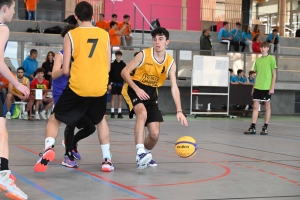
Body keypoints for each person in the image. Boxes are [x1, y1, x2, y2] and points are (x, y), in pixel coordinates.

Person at [33, 1, 113, 173]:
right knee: (100, 121)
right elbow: (108, 67)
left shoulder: (71, 35)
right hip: (99, 85)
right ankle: (107, 160)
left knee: (55, 118)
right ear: (93, 16)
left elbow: (67, 69)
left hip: (78, 86)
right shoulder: (105, 35)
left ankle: (49, 148)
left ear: (75, 17)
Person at [121, 27, 188, 170]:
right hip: (134, 87)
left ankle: (146, 154)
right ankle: (140, 153)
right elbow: (124, 72)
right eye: (155, 39)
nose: (157, 42)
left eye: (161, 39)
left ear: (167, 42)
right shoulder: (143, 55)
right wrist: (136, 89)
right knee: (142, 113)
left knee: (154, 134)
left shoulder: (170, 63)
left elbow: (174, 87)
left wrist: (179, 110)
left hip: (151, 93)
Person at [48, 25, 97, 168]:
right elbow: (54, 74)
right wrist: (65, 69)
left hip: (78, 93)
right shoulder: (60, 55)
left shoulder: (80, 56)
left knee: (90, 127)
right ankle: (67, 155)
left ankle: (72, 143)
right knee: (72, 122)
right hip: (62, 94)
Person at [0, 0, 29, 199]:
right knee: (1, 131)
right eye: (13, 9)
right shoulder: (3, 29)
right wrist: (17, 84)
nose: (13, 13)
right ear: (4, 9)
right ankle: (3, 174)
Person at [244, 42, 277, 135]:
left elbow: (274, 74)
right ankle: (252, 127)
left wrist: (272, 87)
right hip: (258, 86)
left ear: (268, 48)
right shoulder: (258, 61)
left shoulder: (271, 59)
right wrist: (253, 88)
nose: (263, 49)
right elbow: (256, 75)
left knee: (267, 107)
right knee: (255, 107)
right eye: (261, 47)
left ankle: (265, 127)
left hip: (266, 87)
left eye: (265, 47)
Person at [108, 50, 126, 118]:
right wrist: (109, 84)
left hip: (120, 83)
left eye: (119, 55)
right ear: (115, 56)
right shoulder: (112, 64)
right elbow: (110, 75)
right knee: (112, 98)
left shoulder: (123, 65)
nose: (118, 57)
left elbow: (125, 75)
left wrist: (124, 83)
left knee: (120, 98)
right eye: (117, 55)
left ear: (121, 56)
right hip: (113, 83)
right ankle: (112, 112)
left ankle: (119, 112)